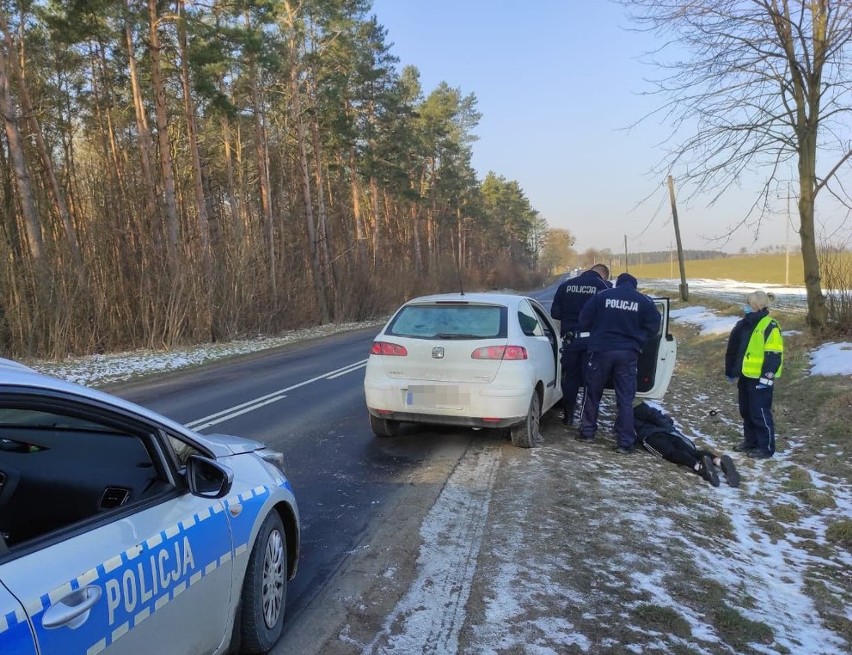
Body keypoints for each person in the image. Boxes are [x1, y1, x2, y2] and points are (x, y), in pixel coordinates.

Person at [576, 272, 661, 453]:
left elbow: (583, 321)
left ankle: (588, 432)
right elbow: (654, 327)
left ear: (617, 284)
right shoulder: (644, 301)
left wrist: (598, 331)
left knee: (592, 393)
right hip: (628, 353)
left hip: (601, 350)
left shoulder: (601, 296)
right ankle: (624, 442)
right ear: (634, 285)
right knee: (625, 398)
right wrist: (639, 339)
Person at [549, 264, 611, 427]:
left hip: (570, 340)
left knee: (570, 378)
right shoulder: (602, 287)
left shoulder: (566, 285)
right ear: (603, 276)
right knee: (592, 381)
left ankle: (568, 415)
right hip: (592, 342)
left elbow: (555, 313)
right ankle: (587, 422)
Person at [724, 290, 784, 459]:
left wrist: (768, 377)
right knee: (746, 411)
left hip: (761, 378)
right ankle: (750, 442)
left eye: (748, 304)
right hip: (746, 376)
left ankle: (766, 447)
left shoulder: (770, 326)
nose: (746, 307)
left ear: (757, 305)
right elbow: (736, 350)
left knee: (760, 413)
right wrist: (731, 371)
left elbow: (774, 354)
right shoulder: (745, 324)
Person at [634, 401, 740, 487]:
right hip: (670, 433)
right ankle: (718, 461)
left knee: (671, 453)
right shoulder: (643, 406)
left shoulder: (632, 410)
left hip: (651, 436)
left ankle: (699, 467)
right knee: (692, 451)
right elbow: (664, 419)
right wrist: (667, 425)